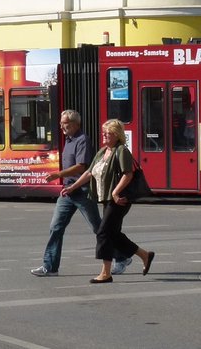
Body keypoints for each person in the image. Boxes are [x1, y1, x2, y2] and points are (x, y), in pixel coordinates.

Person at [30, 110, 131, 277]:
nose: (62, 126)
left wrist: (59, 174)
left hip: (82, 191)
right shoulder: (68, 140)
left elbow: (82, 166)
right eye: (62, 123)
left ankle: (121, 256)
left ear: (76, 124)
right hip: (68, 192)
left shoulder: (82, 140)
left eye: (66, 124)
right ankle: (50, 267)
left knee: (99, 228)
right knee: (56, 227)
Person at [62, 118, 154, 283]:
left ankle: (106, 273)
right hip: (107, 199)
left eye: (108, 132)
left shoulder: (121, 151)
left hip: (119, 200)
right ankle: (145, 255)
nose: (104, 134)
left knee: (103, 232)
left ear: (117, 134)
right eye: (103, 131)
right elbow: (89, 173)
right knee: (113, 234)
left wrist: (116, 192)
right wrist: (73, 187)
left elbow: (128, 174)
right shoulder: (102, 151)